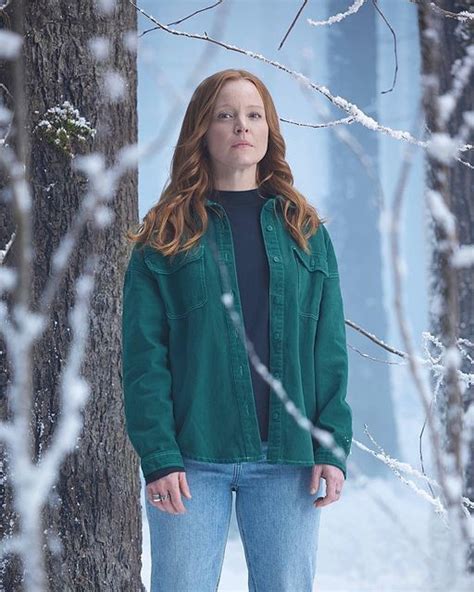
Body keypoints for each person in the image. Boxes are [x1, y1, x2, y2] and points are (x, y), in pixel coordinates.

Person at [121, 68, 353, 592]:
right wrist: (158, 457)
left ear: (269, 130)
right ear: (202, 130)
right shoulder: (166, 233)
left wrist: (331, 446)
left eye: (253, 115)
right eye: (225, 115)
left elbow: (329, 350)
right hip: (190, 459)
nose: (240, 126)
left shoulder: (305, 232)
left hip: (288, 458)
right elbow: (143, 359)